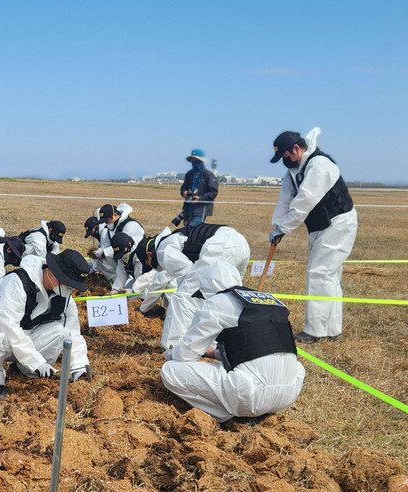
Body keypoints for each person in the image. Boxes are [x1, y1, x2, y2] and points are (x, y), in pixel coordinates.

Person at [160, 259, 305, 423]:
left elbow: (185, 355)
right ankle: (251, 412)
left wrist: (171, 354)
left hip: (250, 396)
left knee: (170, 370)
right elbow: (257, 347)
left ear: (208, 290)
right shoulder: (270, 300)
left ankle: (223, 415)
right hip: (289, 393)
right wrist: (212, 353)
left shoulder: (216, 302)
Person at [268, 127, 358, 342]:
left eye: (285, 156)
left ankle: (315, 331)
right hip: (320, 226)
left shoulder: (320, 165)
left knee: (319, 273)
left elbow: (304, 202)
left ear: (296, 149)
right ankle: (332, 329)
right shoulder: (292, 173)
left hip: (338, 223)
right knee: (328, 276)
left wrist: (284, 228)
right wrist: (276, 228)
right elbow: (285, 201)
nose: (284, 161)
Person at [0, 248, 91, 399]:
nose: (70, 289)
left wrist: (79, 365)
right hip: (0, 336)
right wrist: (36, 361)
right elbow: (8, 326)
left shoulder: (64, 296)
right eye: (68, 284)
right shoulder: (17, 282)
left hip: (28, 337)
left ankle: (23, 370)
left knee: (62, 332)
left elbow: (73, 331)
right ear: (53, 272)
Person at [151, 220, 251, 348]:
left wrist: (188, 291)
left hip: (221, 245)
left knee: (183, 297)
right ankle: (230, 344)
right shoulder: (175, 238)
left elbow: (185, 269)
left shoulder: (163, 250)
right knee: (229, 296)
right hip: (241, 243)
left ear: (149, 255)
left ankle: (172, 347)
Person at [104, 203, 145, 291]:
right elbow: (121, 273)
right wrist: (115, 290)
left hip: (153, 281)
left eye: (107, 220)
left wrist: (132, 291)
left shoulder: (139, 257)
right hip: (140, 279)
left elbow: (143, 283)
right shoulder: (124, 252)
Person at [178, 148, 219, 227]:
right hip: (188, 208)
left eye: (196, 160)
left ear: (201, 161)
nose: (194, 162)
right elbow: (183, 187)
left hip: (201, 208)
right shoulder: (189, 174)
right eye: (192, 160)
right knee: (186, 229)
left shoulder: (208, 175)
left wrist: (200, 198)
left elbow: (213, 192)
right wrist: (184, 193)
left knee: (192, 228)